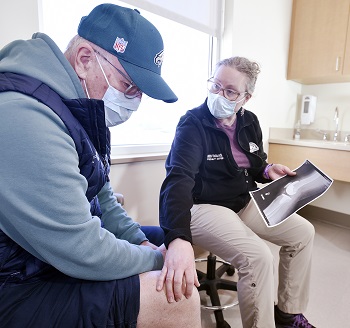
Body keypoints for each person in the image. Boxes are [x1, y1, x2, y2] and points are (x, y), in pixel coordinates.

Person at [0, 4, 201, 328]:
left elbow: (104, 200)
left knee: (168, 244)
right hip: (14, 281)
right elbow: (83, 248)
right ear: (84, 60)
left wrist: (140, 243)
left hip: (42, 257)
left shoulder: (76, 112)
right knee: (176, 297)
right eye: (129, 86)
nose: (134, 102)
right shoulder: (25, 118)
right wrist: (156, 257)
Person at [158, 56, 316, 328]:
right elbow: (178, 180)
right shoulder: (193, 124)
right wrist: (177, 238)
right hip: (204, 207)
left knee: (303, 233)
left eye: (230, 91)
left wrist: (268, 171)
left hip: (243, 202)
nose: (219, 94)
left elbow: (254, 165)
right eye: (216, 85)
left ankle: (288, 314)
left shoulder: (250, 121)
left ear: (246, 97)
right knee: (258, 258)